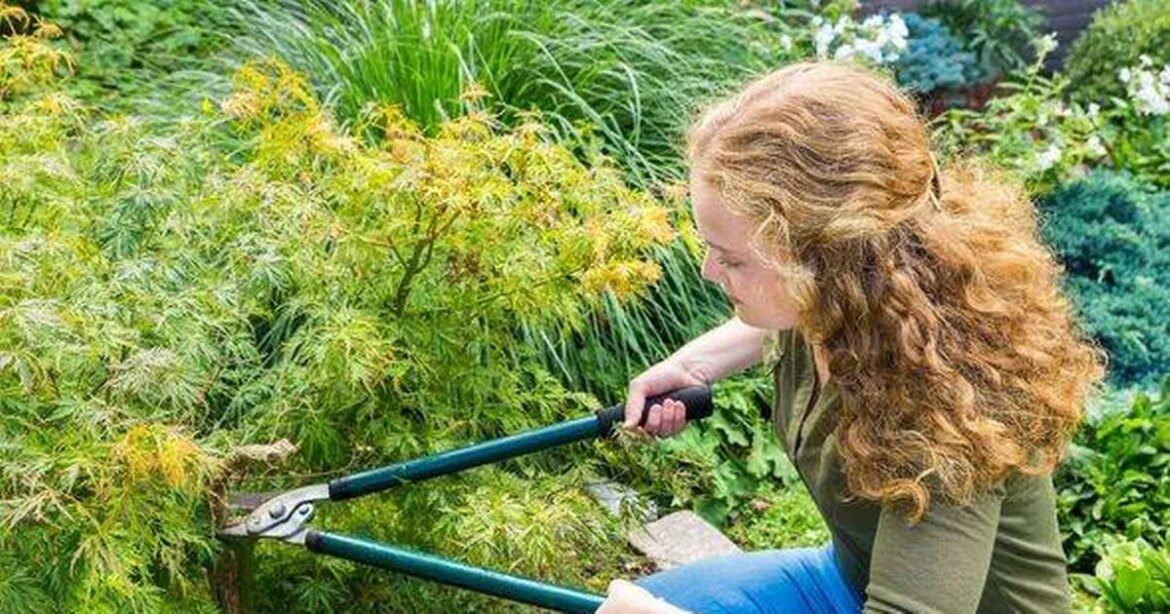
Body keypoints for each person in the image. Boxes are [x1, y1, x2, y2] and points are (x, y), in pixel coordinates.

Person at [595, 60, 1107, 613]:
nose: (708, 272)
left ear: (827, 259)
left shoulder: (946, 410)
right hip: (846, 579)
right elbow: (767, 324)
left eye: (732, 259)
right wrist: (697, 365)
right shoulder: (838, 302)